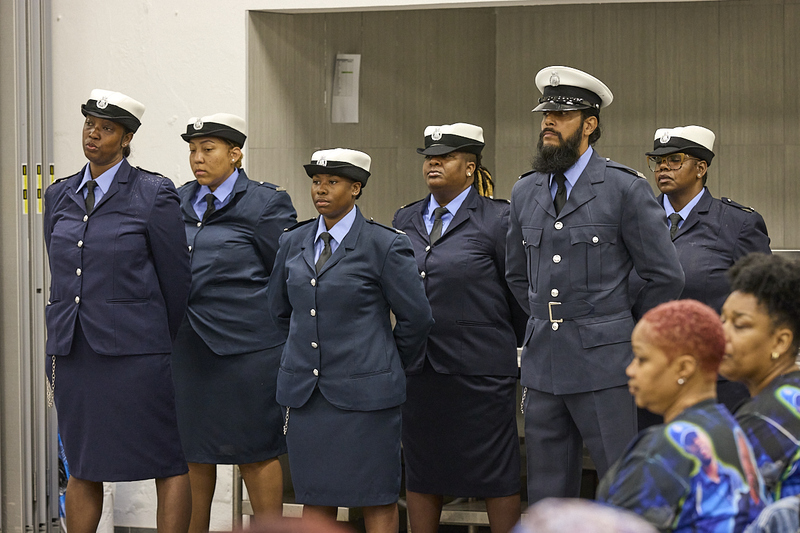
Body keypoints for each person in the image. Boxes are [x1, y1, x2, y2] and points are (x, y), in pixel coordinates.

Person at [505, 66, 685, 503]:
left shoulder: (622, 189)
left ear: (590, 124)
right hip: (544, 362)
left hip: (605, 366)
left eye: (561, 116)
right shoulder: (526, 191)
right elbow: (515, 273)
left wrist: (621, 326)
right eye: (545, 114)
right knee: (547, 493)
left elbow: (665, 275)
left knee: (620, 483)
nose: (548, 122)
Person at [43, 89, 192, 533]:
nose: (93, 134)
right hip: (75, 350)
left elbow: (176, 279)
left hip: (136, 354)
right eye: (89, 124)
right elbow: (63, 269)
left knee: (164, 458)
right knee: (84, 461)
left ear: (127, 139)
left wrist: (151, 338)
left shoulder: (152, 192)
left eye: (106, 129)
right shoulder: (59, 194)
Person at [267, 148, 433, 533]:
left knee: (375, 496)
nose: (321, 190)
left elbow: (417, 318)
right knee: (316, 497)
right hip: (308, 397)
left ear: (356, 187)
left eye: (333, 182)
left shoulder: (384, 244)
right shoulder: (293, 241)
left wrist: (385, 360)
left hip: (367, 399)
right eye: (316, 182)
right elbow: (277, 311)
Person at [392, 123, 527, 533]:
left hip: (480, 369)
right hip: (420, 369)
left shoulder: (499, 218)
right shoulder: (406, 217)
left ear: (470, 167)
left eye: (445, 156)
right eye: (429, 156)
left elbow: (519, 294)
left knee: (495, 472)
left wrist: (506, 345)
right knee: (422, 469)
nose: (433, 162)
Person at [171, 113, 297, 532]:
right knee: (193, 452)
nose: (197, 159)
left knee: (255, 451)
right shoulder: (179, 199)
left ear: (235, 154)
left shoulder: (265, 203)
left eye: (208, 150)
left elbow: (283, 275)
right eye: (192, 150)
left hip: (247, 350)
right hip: (190, 348)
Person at [597, 300, 766, 532]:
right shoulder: (731, 428)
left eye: (642, 359)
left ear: (684, 368)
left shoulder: (667, 447)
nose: (630, 370)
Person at [636, 125, 771, 415]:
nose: (662, 168)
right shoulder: (636, 221)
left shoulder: (737, 224)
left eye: (674, 160)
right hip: (652, 378)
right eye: (658, 161)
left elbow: (764, 301)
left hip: (715, 381)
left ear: (700, 168)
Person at [719, 253, 800, 500]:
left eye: (740, 325)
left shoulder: (764, 419)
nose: (722, 334)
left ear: (781, 341)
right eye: (722, 320)